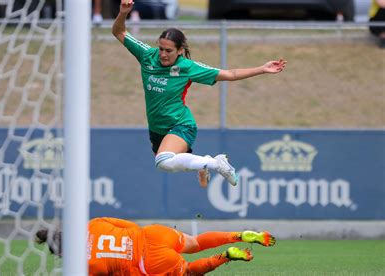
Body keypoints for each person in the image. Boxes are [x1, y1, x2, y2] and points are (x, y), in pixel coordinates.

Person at [112, 0, 287, 188]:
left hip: (181, 125)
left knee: (163, 162)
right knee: (168, 162)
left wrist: (262, 68)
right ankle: (203, 164)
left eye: (169, 51)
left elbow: (230, 74)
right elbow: (119, 32)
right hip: (157, 128)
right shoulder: (147, 55)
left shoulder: (187, 67)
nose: (163, 54)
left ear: (180, 51)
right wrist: (123, 13)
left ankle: (214, 163)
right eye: (161, 48)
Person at [35, 217, 276, 275]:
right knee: (196, 242)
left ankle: (226, 256)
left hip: (146, 262)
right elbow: (128, 224)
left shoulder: (85, 267)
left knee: (190, 271)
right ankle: (241, 235)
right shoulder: (93, 224)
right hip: (153, 235)